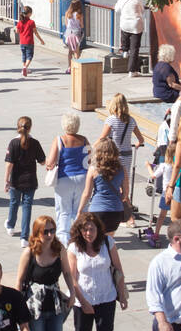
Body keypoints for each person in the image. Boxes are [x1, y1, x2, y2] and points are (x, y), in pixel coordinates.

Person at [17, 215, 82, 331]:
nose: (50, 234)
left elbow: (68, 273)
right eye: (45, 231)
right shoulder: (29, 252)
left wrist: (72, 293)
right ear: (37, 233)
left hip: (54, 304)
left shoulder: (58, 249)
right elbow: (20, 281)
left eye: (52, 230)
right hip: (34, 306)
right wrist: (18, 306)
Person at [68, 212, 128, 331]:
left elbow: (118, 269)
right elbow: (73, 280)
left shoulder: (108, 243)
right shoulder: (73, 248)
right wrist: (84, 302)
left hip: (106, 297)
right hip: (83, 300)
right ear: (80, 230)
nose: (89, 233)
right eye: (85, 229)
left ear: (98, 229)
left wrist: (122, 293)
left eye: (92, 229)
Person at [45, 113, 90, 246]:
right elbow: (91, 158)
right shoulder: (84, 140)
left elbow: (51, 162)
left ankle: (64, 244)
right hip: (83, 178)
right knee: (81, 210)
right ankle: (82, 239)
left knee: (63, 211)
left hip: (65, 178)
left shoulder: (59, 140)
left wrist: (48, 164)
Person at [100, 93, 144, 222]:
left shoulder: (111, 120)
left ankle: (129, 216)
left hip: (114, 156)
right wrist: (136, 145)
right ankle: (127, 213)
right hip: (127, 155)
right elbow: (140, 139)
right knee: (124, 184)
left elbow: (102, 138)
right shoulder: (131, 120)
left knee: (116, 185)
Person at [4, 116, 45, 244]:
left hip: (16, 180)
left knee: (14, 203)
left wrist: (6, 180)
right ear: (30, 127)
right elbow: (42, 161)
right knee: (27, 207)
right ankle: (24, 237)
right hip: (30, 180)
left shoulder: (13, 143)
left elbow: (9, 164)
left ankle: (10, 226)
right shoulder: (35, 143)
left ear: (18, 127)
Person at [78, 137, 129, 236]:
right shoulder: (122, 169)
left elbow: (86, 193)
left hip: (97, 210)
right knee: (108, 241)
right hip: (116, 210)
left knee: (95, 242)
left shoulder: (93, 169)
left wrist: (80, 210)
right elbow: (125, 194)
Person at [114, 0, 146, 74]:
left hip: (125, 24)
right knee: (134, 48)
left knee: (124, 35)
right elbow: (142, 11)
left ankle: (124, 50)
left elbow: (116, 10)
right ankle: (132, 71)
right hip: (136, 24)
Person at [15, 5, 44, 77]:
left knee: (24, 56)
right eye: (31, 13)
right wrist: (41, 40)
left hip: (22, 42)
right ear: (29, 13)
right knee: (30, 56)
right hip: (29, 42)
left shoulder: (20, 22)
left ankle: (25, 68)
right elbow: (36, 33)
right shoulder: (31, 22)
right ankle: (25, 67)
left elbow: (17, 31)